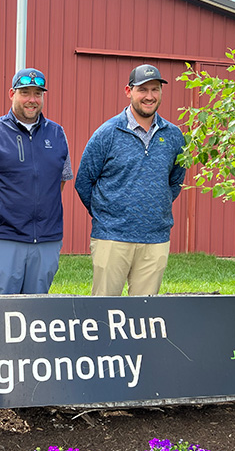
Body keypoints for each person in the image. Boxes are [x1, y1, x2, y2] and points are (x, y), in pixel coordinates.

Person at [74, 64, 186, 296]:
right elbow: (84, 180)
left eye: (155, 90)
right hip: (112, 237)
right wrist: (106, 214)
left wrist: (155, 206)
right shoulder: (108, 133)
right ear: (129, 91)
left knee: (145, 315)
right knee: (103, 313)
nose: (149, 96)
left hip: (155, 238)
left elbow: (175, 181)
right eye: (142, 89)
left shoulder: (174, 135)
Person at [0, 68, 73, 294]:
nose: (32, 100)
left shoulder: (57, 134)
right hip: (4, 238)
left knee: (37, 311)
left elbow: (60, 181)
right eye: (25, 93)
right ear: (12, 93)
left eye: (37, 94)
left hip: (46, 239)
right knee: (3, 308)